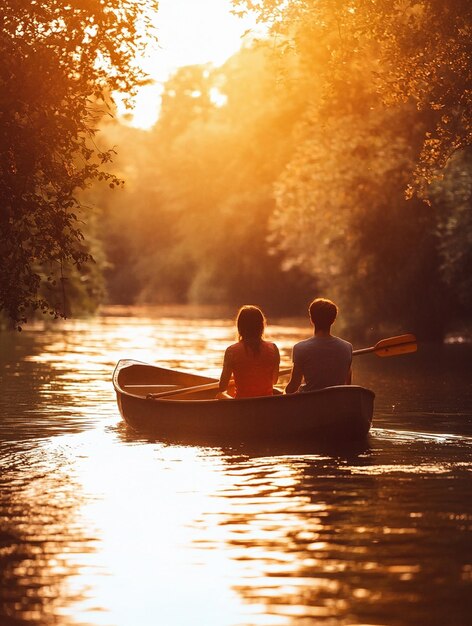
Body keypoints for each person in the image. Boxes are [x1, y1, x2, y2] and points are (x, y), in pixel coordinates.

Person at [285, 297, 352, 394]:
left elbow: (293, 387)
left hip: (309, 403)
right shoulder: (347, 347)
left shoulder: (300, 348)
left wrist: (284, 392)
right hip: (337, 402)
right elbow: (347, 385)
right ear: (333, 320)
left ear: (312, 319)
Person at [217, 305, 280, 399]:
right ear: (261, 326)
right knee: (276, 390)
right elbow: (274, 381)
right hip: (267, 402)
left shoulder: (231, 351)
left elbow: (222, 387)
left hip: (242, 404)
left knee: (219, 395)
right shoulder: (273, 348)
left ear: (240, 326)